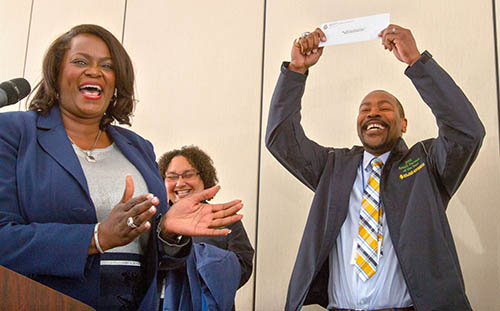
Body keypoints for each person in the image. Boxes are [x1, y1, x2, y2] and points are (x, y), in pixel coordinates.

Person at [0, 24, 243, 310]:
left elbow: (156, 258)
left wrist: (166, 232)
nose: (95, 71)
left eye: (108, 66)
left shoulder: (139, 148)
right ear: (56, 73)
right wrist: (96, 237)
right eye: (80, 61)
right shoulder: (14, 133)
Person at [265, 24, 485, 311]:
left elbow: (466, 132)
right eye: (365, 108)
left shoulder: (426, 165)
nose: (373, 113)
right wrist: (295, 71)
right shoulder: (333, 168)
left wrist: (416, 62)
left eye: (385, 107)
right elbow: (280, 139)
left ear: (403, 124)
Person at [158, 146, 254, 309]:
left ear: (205, 178)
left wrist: (200, 262)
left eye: (188, 175)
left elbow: (243, 266)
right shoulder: (155, 220)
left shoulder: (223, 218)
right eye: (172, 177)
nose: (180, 183)